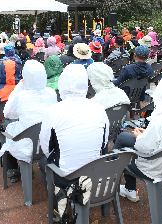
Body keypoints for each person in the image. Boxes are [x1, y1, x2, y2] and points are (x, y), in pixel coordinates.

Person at [39, 64, 109, 209]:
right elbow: (104, 143)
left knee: (43, 162)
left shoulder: (52, 111)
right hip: (95, 174)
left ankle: (57, 206)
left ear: (62, 82)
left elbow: (46, 147)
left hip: (66, 176)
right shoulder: (99, 108)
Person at [0, 61, 58, 182]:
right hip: (49, 143)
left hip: (28, 145)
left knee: (6, 130)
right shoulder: (51, 93)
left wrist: (19, 86)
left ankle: (12, 169)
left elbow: (7, 113)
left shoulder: (21, 96)